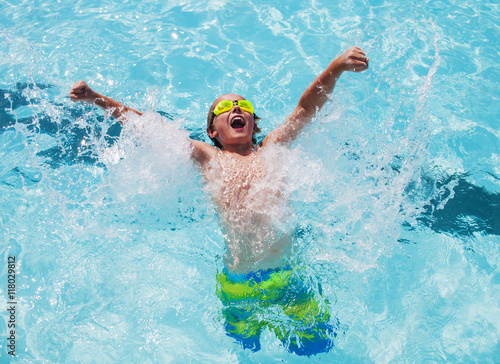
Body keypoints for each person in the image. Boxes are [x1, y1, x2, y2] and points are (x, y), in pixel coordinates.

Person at [69, 46, 369, 356]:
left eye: (244, 106)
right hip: (237, 284)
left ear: (254, 123)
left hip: (287, 277)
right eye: (225, 106)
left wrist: (336, 67)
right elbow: (151, 130)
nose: (236, 108)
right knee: (248, 351)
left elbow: (305, 109)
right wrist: (96, 98)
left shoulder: (272, 149)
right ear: (213, 130)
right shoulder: (209, 157)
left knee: (318, 349)